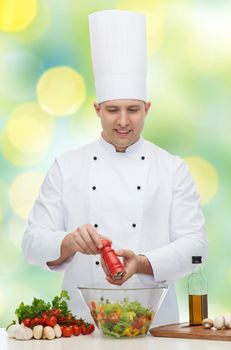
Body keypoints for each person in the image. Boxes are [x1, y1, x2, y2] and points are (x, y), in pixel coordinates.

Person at [22, 10, 208, 325]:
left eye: (133, 110)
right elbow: (31, 243)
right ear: (97, 109)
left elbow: (196, 245)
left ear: (147, 108)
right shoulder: (67, 166)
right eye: (112, 110)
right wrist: (68, 242)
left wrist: (143, 262)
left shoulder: (172, 169)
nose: (123, 121)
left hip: (154, 327)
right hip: (81, 327)